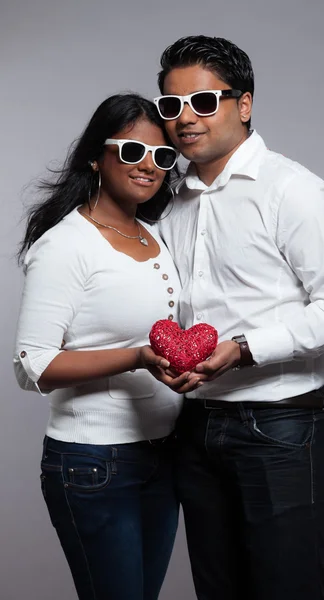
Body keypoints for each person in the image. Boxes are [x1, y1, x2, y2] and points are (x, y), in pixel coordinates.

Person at [152, 36, 324, 600]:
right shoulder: (172, 199)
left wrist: (244, 348)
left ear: (243, 104)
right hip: (193, 423)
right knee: (217, 588)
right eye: (170, 106)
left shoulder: (292, 190)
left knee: (284, 587)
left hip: (279, 425)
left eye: (203, 102)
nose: (184, 119)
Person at [13, 92, 199, 600]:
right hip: (95, 463)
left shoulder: (152, 235)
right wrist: (138, 356)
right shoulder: (65, 244)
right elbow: (34, 365)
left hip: (164, 453)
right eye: (132, 151)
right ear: (97, 155)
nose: (149, 166)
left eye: (162, 156)